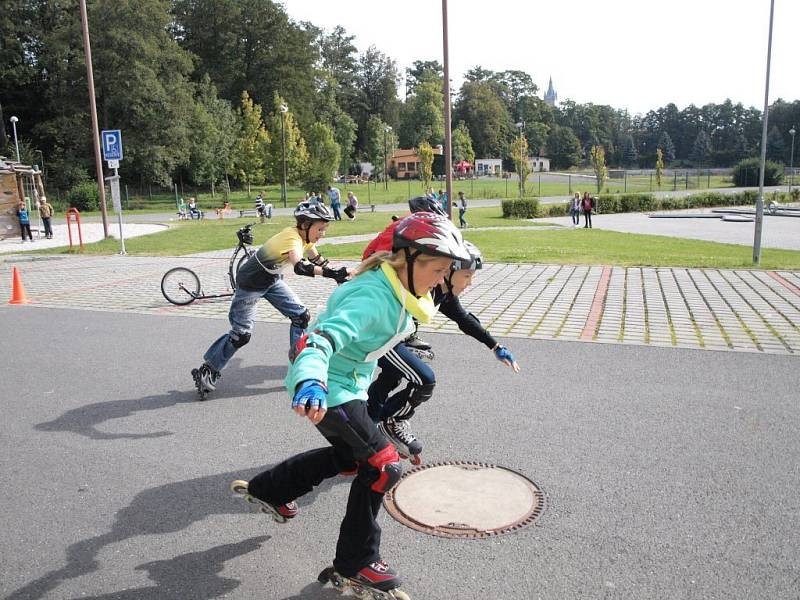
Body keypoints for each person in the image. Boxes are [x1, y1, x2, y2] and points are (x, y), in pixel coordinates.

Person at [229, 212, 469, 596]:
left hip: (349, 384)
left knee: (350, 459)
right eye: (438, 269)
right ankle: (356, 562)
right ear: (408, 260)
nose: (442, 279)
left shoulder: (403, 288)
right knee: (383, 466)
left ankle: (270, 490)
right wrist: (311, 378)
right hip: (326, 385)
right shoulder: (373, 298)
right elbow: (320, 339)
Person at [366, 239, 520, 462]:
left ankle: (370, 425)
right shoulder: (426, 284)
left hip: (397, 337)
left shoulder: (443, 292)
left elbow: (464, 319)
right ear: (449, 271)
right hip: (382, 338)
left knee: (392, 377)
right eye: (467, 275)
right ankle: (391, 422)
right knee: (424, 379)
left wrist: (495, 346)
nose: (470, 283)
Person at [191, 202, 353, 398]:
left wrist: (338, 273)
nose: (323, 233)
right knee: (241, 334)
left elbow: (318, 260)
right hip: (250, 284)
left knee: (301, 316)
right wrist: (331, 273)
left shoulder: (306, 239)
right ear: (305, 225)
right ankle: (208, 370)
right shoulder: (292, 238)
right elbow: (300, 266)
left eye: (324, 229)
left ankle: (298, 365)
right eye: (320, 229)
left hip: (271, 281)